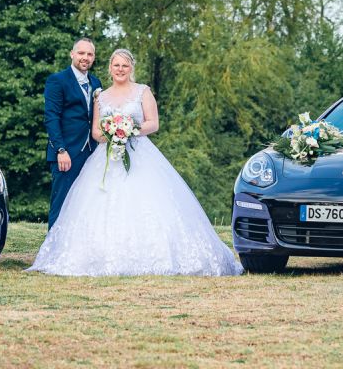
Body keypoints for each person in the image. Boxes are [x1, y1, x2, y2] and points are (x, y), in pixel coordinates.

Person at [29, 48, 243, 276]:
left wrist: (129, 130)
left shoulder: (143, 91)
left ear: (131, 68)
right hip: (107, 157)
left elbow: (153, 123)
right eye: (116, 65)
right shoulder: (101, 95)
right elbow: (96, 133)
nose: (120, 69)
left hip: (140, 154)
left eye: (125, 65)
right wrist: (113, 134)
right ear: (110, 68)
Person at [43, 38, 101, 229]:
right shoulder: (57, 80)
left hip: (92, 152)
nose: (85, 57)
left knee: (86, 203)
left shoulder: (96, 82)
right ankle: (52, 244)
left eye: (90, 54)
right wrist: (60, 150)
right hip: (66, 152)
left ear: (93, 57)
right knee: (61, 203)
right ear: (72, 54)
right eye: (81, 53)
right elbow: (51, 117)